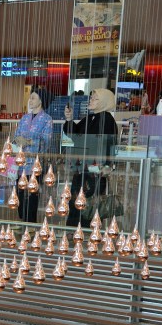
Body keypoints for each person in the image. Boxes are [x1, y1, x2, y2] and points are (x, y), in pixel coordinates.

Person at [63, 88, 118, 227]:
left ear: (104, 102)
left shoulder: (108, 121)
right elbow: (74, 133)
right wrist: (69, 119)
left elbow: (110, 145)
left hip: (96, 169)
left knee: (91, 200)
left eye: (95, 99)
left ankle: (87, 230)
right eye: (91, 98)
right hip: (82, 166)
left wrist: (107, 165)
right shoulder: (89, 118)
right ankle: (74, 228)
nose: (91, 100)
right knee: (77, 198)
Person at [13, 87, 54, 223]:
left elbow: (46, 141)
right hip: (20, 163)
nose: (30, 100)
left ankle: (30, 223)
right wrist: (18, 140)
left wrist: (29, 141)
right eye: (30, 98)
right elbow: (16, 135)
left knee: (32, 195)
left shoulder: (47, 119)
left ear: (41, 101)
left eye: (33, 98)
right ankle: (21, 219)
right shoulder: (24, 118)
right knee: (19, 192)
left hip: (34, 165)